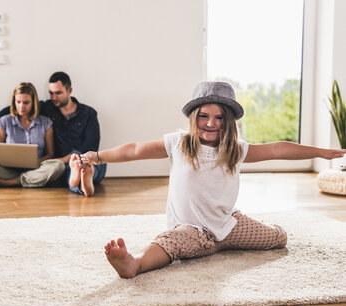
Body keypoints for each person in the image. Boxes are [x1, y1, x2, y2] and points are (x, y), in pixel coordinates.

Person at [80, 81, 346, 279]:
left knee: (279, 238)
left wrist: (321, 152)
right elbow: (135, 149)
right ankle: (133, 263)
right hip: (193, 230)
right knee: (168, 245)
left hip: (229, 225)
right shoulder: (178, 143)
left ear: (228, 121)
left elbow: (277, 148)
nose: (211, 123)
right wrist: (98, 156)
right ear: (194, 117)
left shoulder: (236, 149)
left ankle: (259, 233)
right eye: (204, 116)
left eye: (219, 118)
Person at [0, 72, 107, 196]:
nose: (54, 97)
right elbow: (14, 107)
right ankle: (81, 182)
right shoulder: (48, 107)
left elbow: (91, 144)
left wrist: (70, 158)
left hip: (81, 157)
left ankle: (83, 178)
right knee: (68, 171)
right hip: (61, 164)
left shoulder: (88, 113)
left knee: (91, 165)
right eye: (51, 93)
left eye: (58, 93)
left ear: (69, 90)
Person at [0, 82, 64, 188]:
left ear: (33, 103)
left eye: (26, 103)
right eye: (18, 102)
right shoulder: (4, 121)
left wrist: (34, 163)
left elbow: (50, 154)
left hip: (36, 168)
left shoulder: (46, 123)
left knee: (58, 166)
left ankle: (11, 182)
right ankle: (29, 180)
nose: (21, 107)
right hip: (9, 169)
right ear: (14, 102)